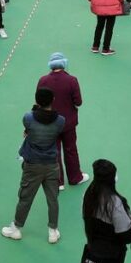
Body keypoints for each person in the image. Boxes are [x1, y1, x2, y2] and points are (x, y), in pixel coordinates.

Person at [1, 87, 65, 243]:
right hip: (51, 165)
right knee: (53, 199)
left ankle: (16, 229)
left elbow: (28, 128)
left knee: (25, 198)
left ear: (37, 101)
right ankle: (52, 231)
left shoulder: (28, 118)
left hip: (33, 165)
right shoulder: (60, 121)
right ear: (52, 101)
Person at [82, 159, 131, 263]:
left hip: (95, 244)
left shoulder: (88, 195)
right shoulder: (115, 202)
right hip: (113, 250)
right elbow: (124, 230)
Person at [37, 53, 88, 189]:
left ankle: (57, 181)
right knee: (71, 149)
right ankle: (75, 177)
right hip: (68, 123)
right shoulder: (72, 80)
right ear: (64, 63)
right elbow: (78, 102)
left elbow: (39, 101)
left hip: (50, 123)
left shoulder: (43, 80)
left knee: (54, 151)